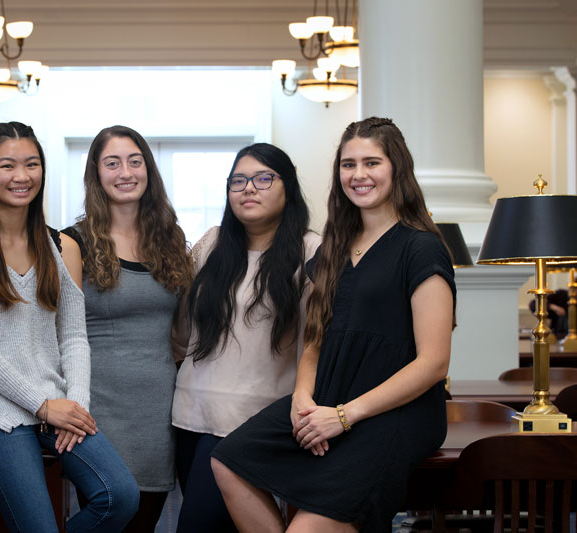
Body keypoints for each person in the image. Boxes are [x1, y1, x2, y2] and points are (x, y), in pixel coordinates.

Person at [210, 117, 456, 532]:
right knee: (229, 459)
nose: (358, 175)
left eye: (371, 163)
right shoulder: (332, 249)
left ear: (397, 169)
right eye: (348, 164)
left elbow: (433, 363)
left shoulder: (422, 247)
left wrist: (344, 417)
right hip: (328, 397)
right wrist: (302, 399)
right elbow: (315, 340)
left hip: (396, 413)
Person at [0, 121, 139, 532]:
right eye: (7, 165)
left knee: (119, 496)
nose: (21, 176)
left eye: (31, 164)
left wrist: (76, 406)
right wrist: (42, 405)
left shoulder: (63, 247)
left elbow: (73, 336)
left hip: (57, 405)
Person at [171, 143, 322, 532]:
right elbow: (183, 329)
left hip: (254, 419)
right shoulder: (212, 244)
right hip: (191, 413)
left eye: (262, 178)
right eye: (237, 181)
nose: (248, 188)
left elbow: (316, 342)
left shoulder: (310, 251)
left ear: (287, 188)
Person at [61, 125, 193, 532]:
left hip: (157, 408)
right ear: (96, 174)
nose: (126, 172)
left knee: (145, 520)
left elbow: (181, 328)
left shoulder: (171, 239)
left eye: (135, 161)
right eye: (112, 162)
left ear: (148, 170)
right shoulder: (72, 242)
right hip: (96, 408)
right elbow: (61, 332)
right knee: (109, 509)